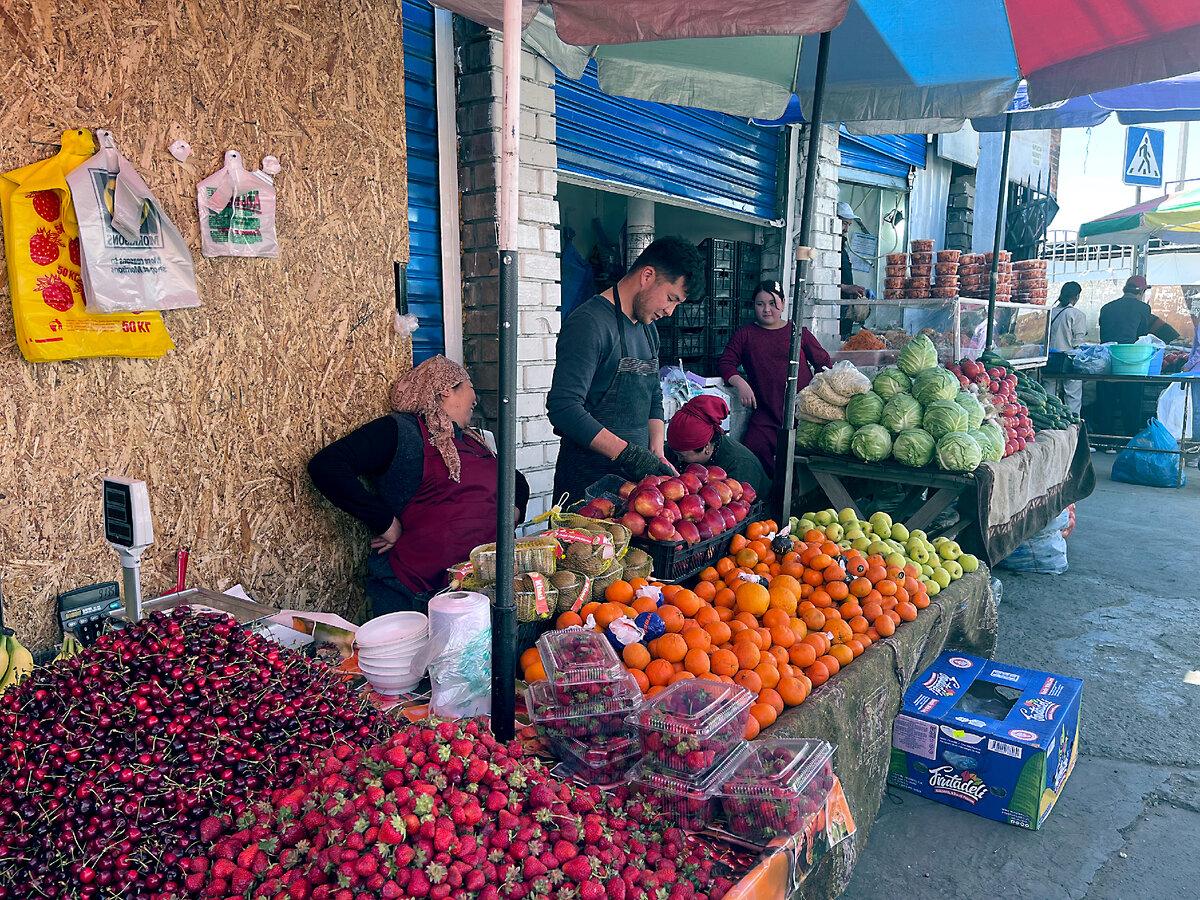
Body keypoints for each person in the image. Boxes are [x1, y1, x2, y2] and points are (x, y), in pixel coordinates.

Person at [309, 356, 529, 615]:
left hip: (482, 593)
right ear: (446, 388)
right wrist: (385, 522)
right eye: (470, 386)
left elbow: (517, 481)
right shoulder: (400, 431)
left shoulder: (475, 441)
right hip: (417, 594)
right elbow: (327, 465)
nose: (475, 398)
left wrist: (513, 510)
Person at [547, 236, 706, 502]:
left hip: (635, 492)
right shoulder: (589, 323)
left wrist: (655, 452)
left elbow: (653, 395)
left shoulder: (648, 331)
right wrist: (629, 454)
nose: (670, 311)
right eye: (670, 298)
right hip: (586, 491)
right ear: (647, 276)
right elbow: (564, 408)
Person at [718, 280, 832, 475]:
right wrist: (740, 383)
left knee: (803, 464)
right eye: (760, 304)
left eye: (772, 303)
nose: (766, 309)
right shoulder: (746, 335)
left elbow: (824, 364)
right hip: (766, 413)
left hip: (802, 413)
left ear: (783, 303)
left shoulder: (798, 332)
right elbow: (725, 363)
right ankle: (766, 501)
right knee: (752, 454)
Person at [666, 394, 771, 496]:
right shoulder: (680, 449)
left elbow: (734, 509)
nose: (678, 459)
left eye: (681, 456)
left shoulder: (740, 465)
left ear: (706, 447)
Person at [1098, 275, 1154, 439]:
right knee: (1131, 400)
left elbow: (1104, 335)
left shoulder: (1106, 307)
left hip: (1107, 358)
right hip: (1130, 360)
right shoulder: (1143, 308)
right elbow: (1142, 336)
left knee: (1106, 400)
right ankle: (1129, 439)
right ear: (1142, 291)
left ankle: (1104, 439)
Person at [1045, 281, 1086, 414]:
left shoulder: (1049, 312)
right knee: (1072, 395)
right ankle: (1072, 425)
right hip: (1068, 361)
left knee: (1049, 395)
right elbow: (1078, 343)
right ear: (1077, 296)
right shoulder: (1076, 314)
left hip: (1050, 359)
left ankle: (1050, 423)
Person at [837, 201, 870, 339]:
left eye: (849, 225)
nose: (846, 229)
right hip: (833, 312)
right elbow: (820, 282)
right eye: (845, 223)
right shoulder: (828, 246)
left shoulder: (841, 245)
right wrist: (845, 288)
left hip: (844, 312)